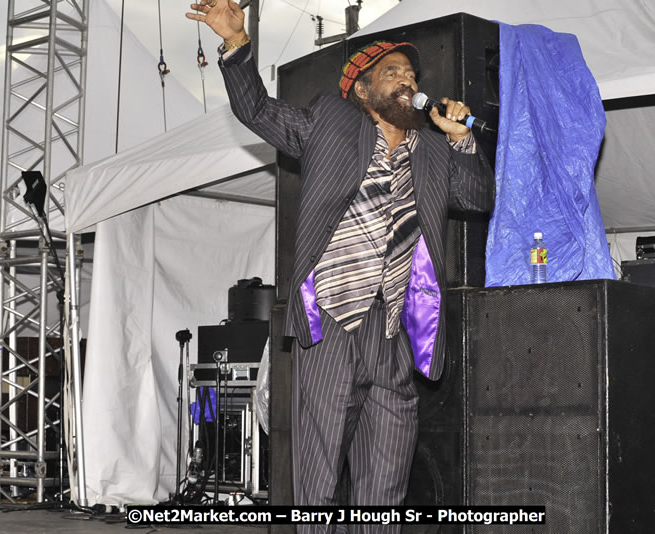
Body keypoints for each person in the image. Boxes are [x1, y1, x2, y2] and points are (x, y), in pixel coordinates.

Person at [188, 1, 495, 531]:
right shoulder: (328, 123)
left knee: (385, 484)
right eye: (392, 72)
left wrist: (461, 135)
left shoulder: (434, 150)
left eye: (411, 74)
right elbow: (258, 110)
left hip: (396, 328)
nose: (407, 80)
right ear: (362, 90)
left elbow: (477, 197)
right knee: (319, 471)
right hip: (333, 318)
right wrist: (237, 46)